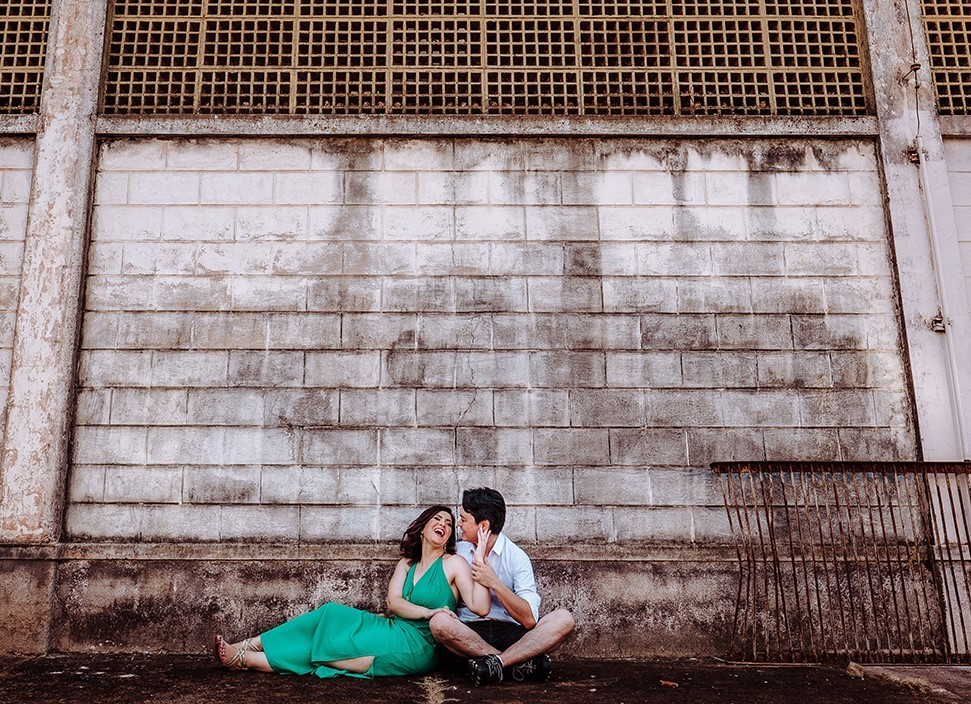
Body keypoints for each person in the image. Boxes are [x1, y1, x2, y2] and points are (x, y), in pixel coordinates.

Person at [211, 505, 492, 678]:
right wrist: (431, 610)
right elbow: (393, 603)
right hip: (392, 626)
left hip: (418, 645)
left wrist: (480, 557)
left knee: (331, 650)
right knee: (331, 615)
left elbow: (480, 607)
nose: (443, 524)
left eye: (449, 523)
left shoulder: (453, 563)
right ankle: (251, 646)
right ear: (423, 528)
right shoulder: (407, 564)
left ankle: (246, 657)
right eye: (438, 519)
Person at [429, 487, 576, 686]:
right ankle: (515, 663)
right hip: (469, 632)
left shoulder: (516, 557)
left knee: (564, 619)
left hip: (510, 632)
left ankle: (495, 664)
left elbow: (530, 619)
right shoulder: (458, 550)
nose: (459, 525)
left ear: (483, 525)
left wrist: (494, 583)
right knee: (439, 623)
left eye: (464, 519)